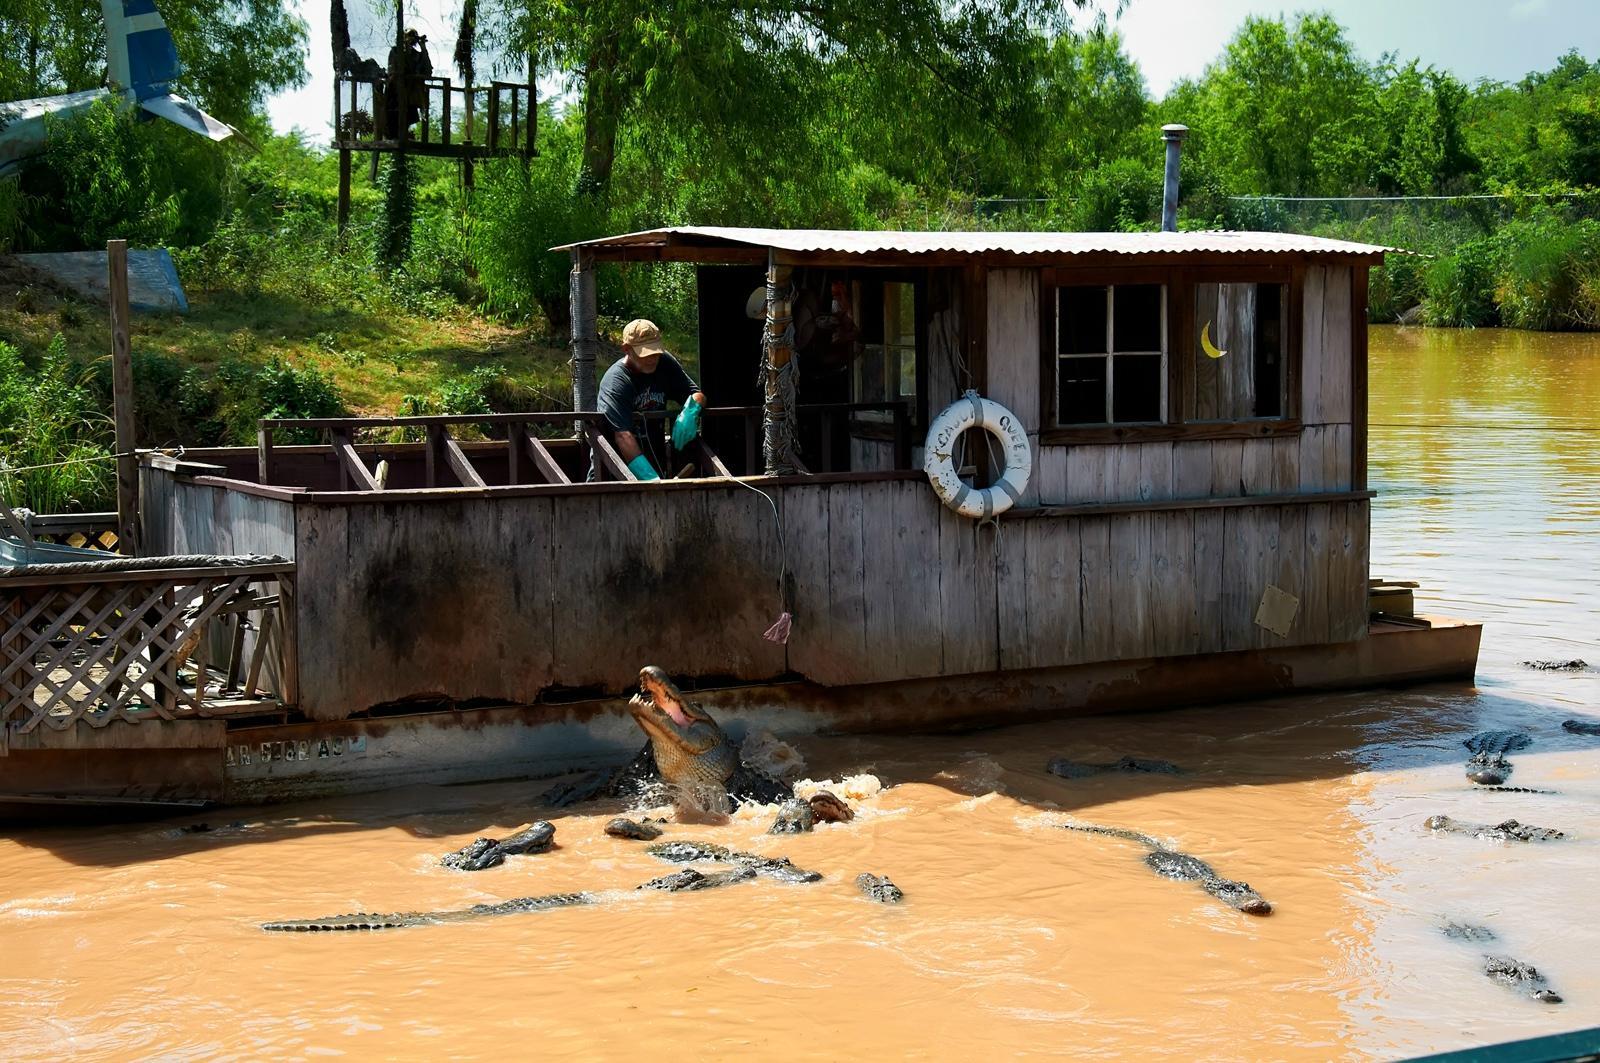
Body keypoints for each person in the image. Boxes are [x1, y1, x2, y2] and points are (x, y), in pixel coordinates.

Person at [596, 319, 705, 481]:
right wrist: (649, 480)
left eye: (655, 352)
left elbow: (696, 394)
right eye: (645, 353)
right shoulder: (616, 381)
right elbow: (623, 436)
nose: (652, 358)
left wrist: (691, 412)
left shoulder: (665, 363)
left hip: (655, 460)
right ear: (627, 349)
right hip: (616, 472)